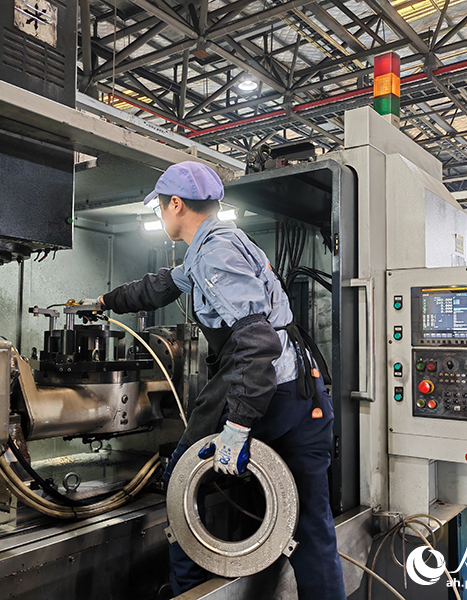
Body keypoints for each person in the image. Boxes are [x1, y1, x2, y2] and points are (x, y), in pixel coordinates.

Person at [98, 161, 347, 600]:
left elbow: (257, 343)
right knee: (311, 522)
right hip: (305, 393)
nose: (160, 214)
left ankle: (189, 591)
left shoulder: (214, 253)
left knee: (183, 480)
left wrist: (237, 426)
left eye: (159, 206)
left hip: (271, 394)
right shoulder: (221, 242)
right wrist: (105, 301)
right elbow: (162, 285)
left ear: (176, 204)